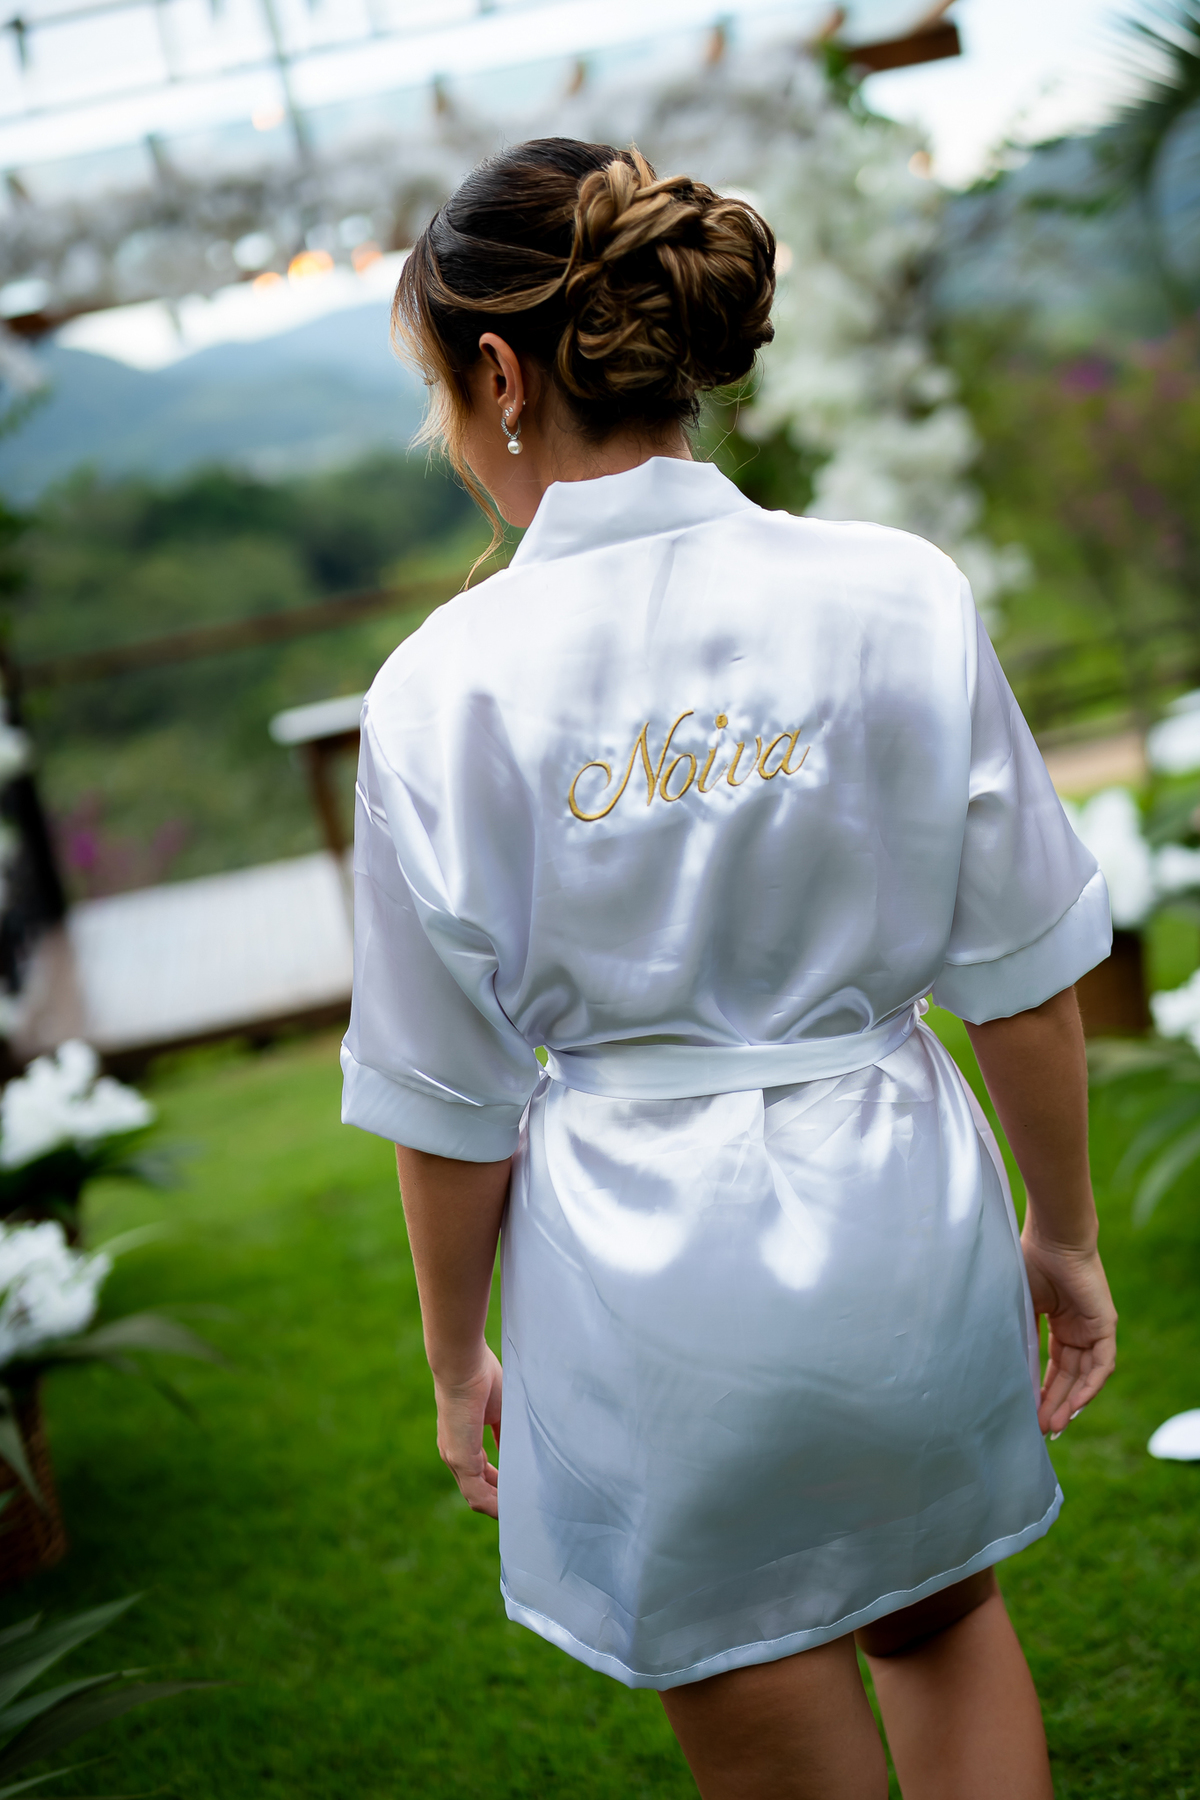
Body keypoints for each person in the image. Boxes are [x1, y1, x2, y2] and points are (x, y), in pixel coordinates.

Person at [340, 138, 1117, 1799]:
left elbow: (445, 1093)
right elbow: (1024, 977)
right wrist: (1061, 1232)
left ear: (501, 376)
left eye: (442, 394)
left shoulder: (435, 692)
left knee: (755, 1688)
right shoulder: (896, 591)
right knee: (944, 1627)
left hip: (648, 1282)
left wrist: (458, 1358)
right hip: (905, 1215)